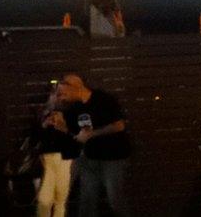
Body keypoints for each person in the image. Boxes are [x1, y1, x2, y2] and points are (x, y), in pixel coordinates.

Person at [58, 73, 131, 216]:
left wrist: (92, 133)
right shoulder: (74, 108)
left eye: (64, 93)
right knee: (86, 200)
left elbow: (119, 125)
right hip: (90, 158)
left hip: (113, 157)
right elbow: (77, 134)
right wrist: (62, 127)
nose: (63, 97)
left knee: (115, 199)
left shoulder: (103, 100)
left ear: (75, 87)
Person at [36, 84, 78, 217]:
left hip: (65, 157)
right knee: (44, 199)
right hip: (47, 157)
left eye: (60, 94)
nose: (57, 97)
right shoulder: (43, 112)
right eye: (54, 94)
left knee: (61, 196)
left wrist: (63, 126)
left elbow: (78, 135)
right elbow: (35, 136)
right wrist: (44, 125)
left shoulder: (72, 111)